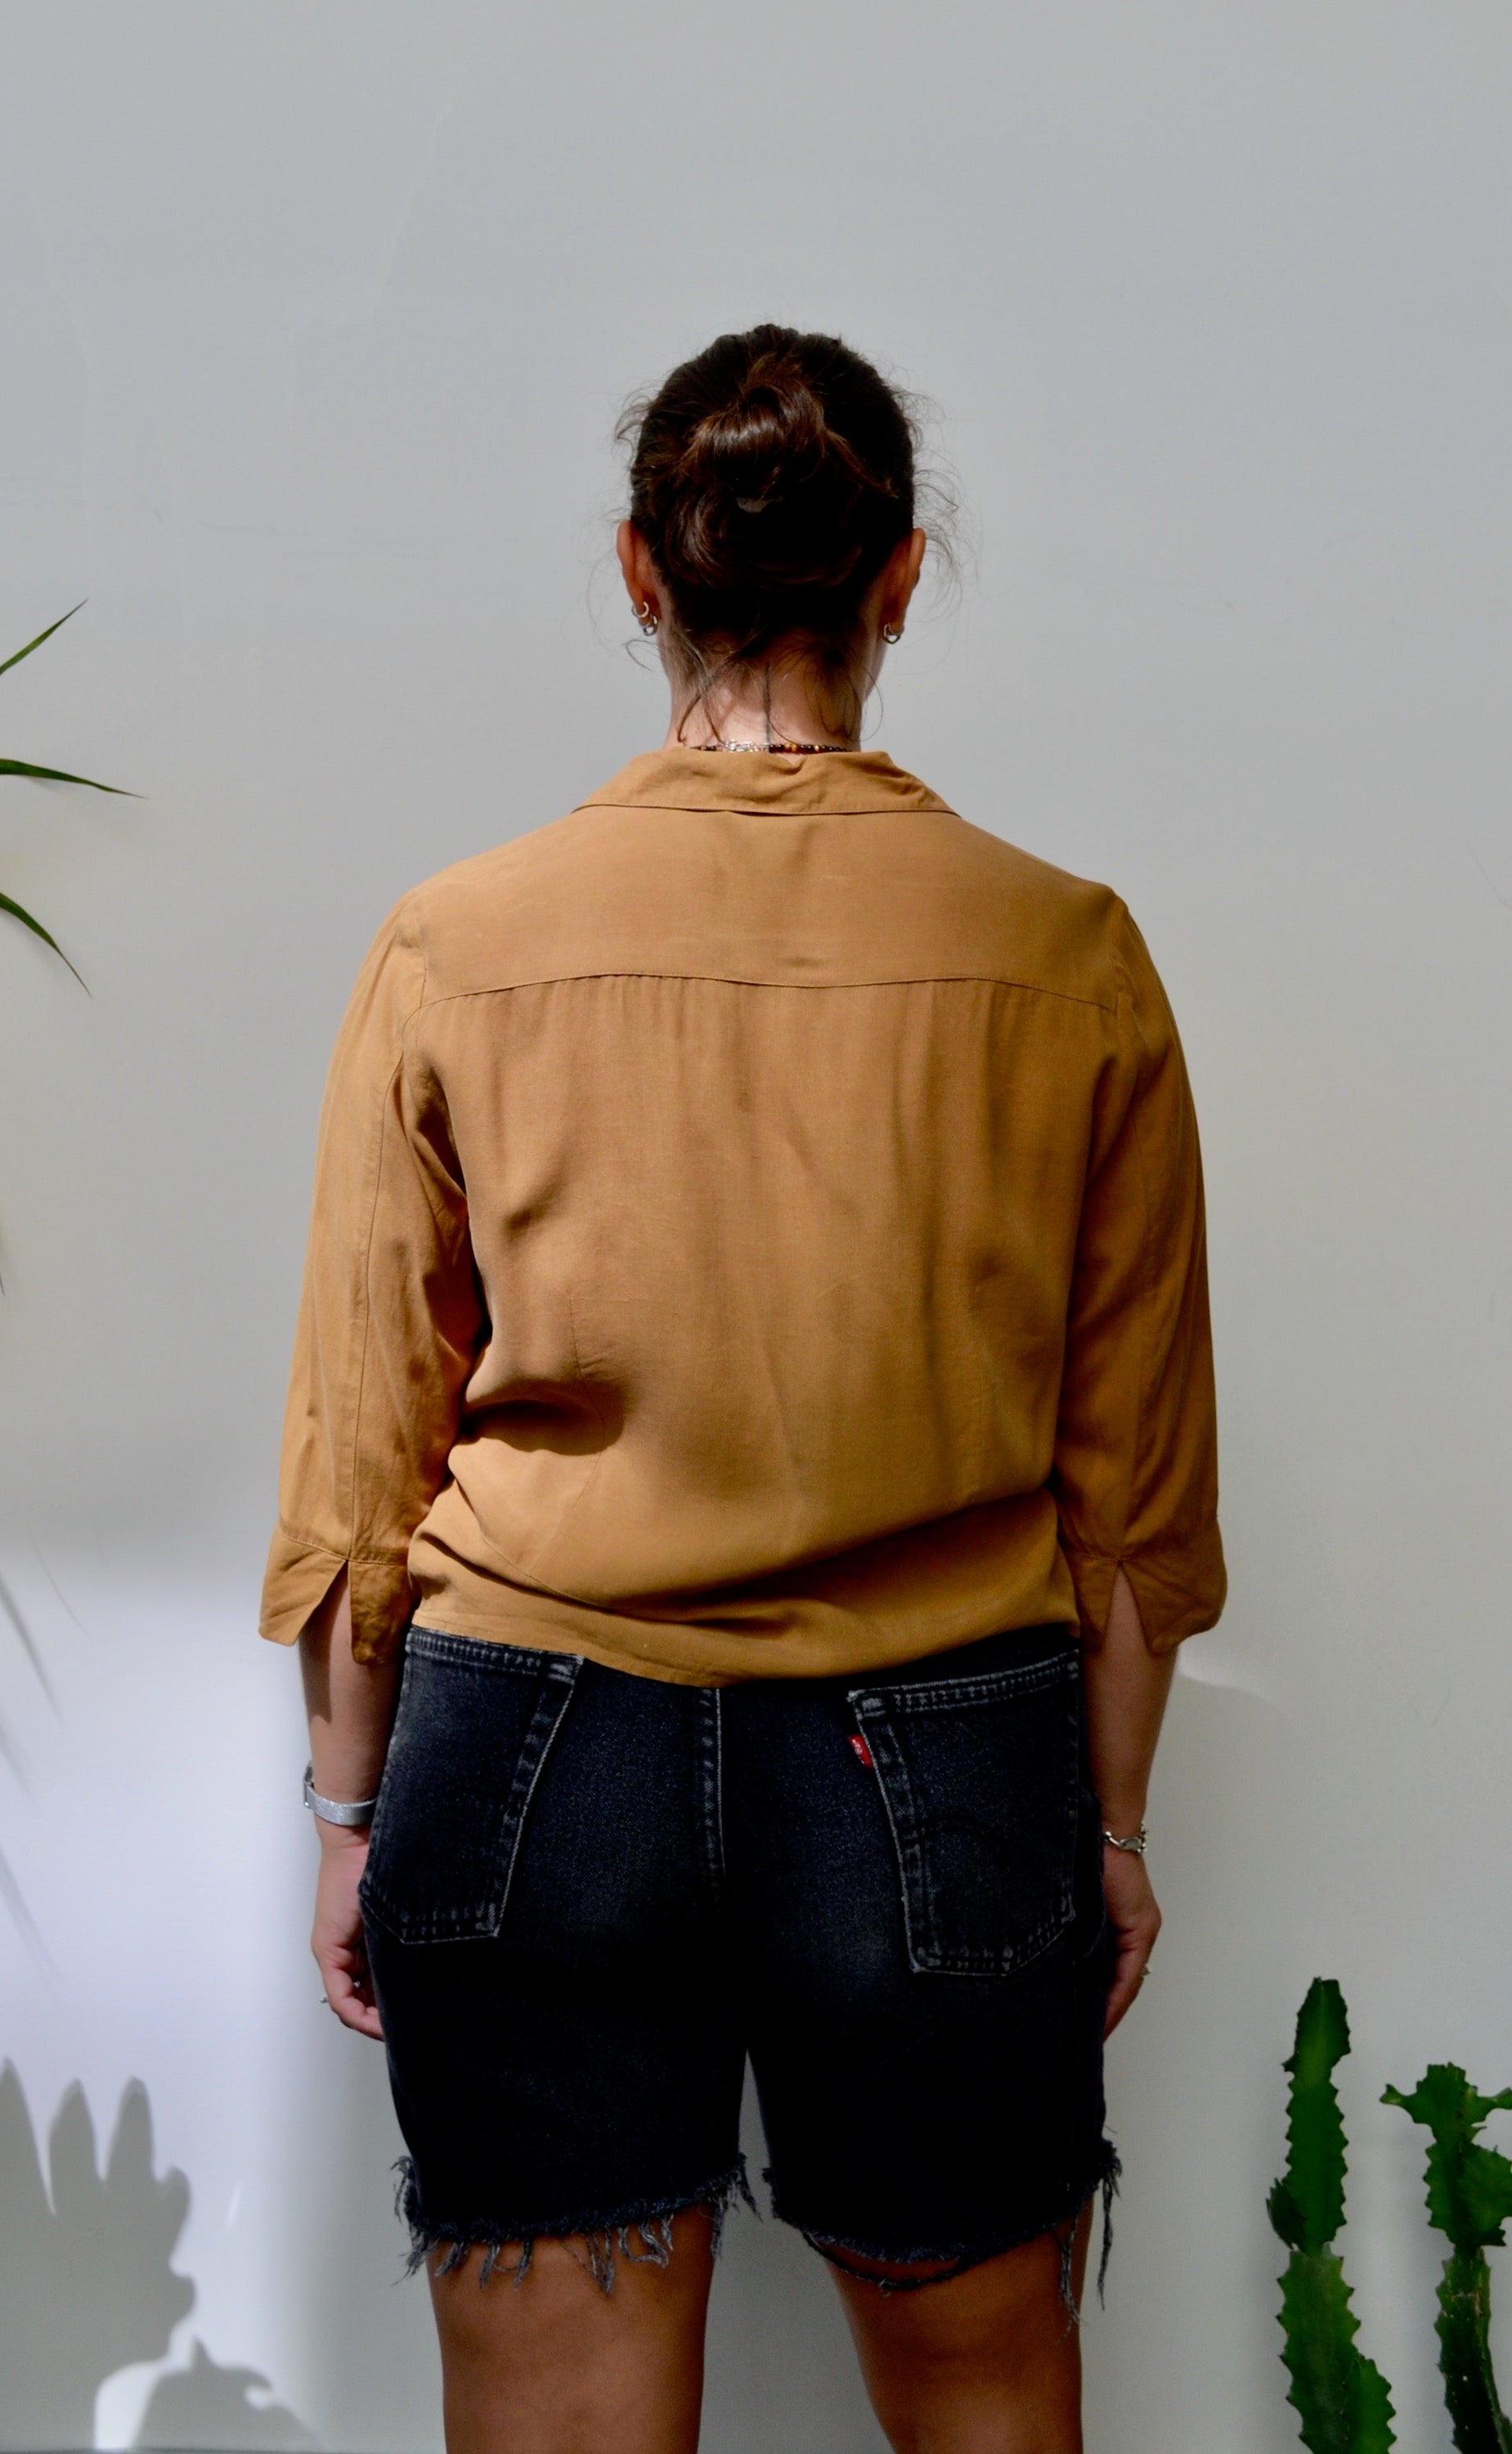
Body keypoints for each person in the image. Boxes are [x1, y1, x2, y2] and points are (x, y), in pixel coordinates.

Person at [260, 323, 1224, 2454]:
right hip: (948, 1759)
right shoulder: (1067, 951)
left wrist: (344, 1807)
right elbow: (1135, 1484)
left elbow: (361, 1449)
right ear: (897, 579)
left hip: (530, 1744)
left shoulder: (460, 938)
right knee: (988, 2402)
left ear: (640, 573)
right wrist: (1118, 1823)